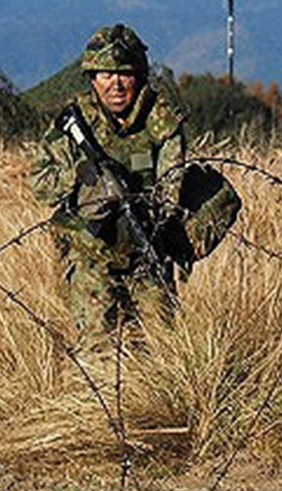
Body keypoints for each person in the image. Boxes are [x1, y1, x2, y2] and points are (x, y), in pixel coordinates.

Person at [28, 24, 239, 339]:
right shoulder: (75, 123)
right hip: (91, 256)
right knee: (98, 351)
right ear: (92, 79)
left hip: (146, 251)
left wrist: (168, 238)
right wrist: (83, 175)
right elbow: (41, 187)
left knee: (158, 348)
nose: (115, 84)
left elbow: (172, 187)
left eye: (124, 74)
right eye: (105, 75)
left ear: (139, 76)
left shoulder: (161, 123)